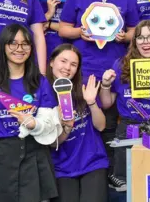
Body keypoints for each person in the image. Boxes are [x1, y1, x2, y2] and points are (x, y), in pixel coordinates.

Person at [58, 0, 139, 190]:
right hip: (85, 69)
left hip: (116, 69)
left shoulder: (125, 0)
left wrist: (125, 36)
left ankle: (111, 172)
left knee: (113, 120)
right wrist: (80, 32)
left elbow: (135, 31)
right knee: (87, 121)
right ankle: (83, 169)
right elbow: (63, 28)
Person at [0, 24, 59, 201]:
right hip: (4, 156)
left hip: (36, 152)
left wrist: (33, 123)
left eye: (25, 44)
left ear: (31, 48)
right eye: (13, 43)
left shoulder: (40, 81)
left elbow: (50, 124)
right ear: (4, 46)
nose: (19, 49)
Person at [99, 20, 150, 192]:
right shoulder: (120, 65)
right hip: (128, 128)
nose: (145, 42)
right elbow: (107, 103)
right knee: (127, 184)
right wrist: (105, 85)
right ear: (134, 42)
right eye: (140, 38)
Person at [46, 44, 108, 202]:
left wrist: (92, 102)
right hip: (62, 167)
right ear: (52, 62)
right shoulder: (43, 94)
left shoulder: (84, 87)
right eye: (63, 61)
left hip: (92, 162)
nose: (67, 68)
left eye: (73, 64)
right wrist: (67, 126)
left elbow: (101, 126)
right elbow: (53, 144)